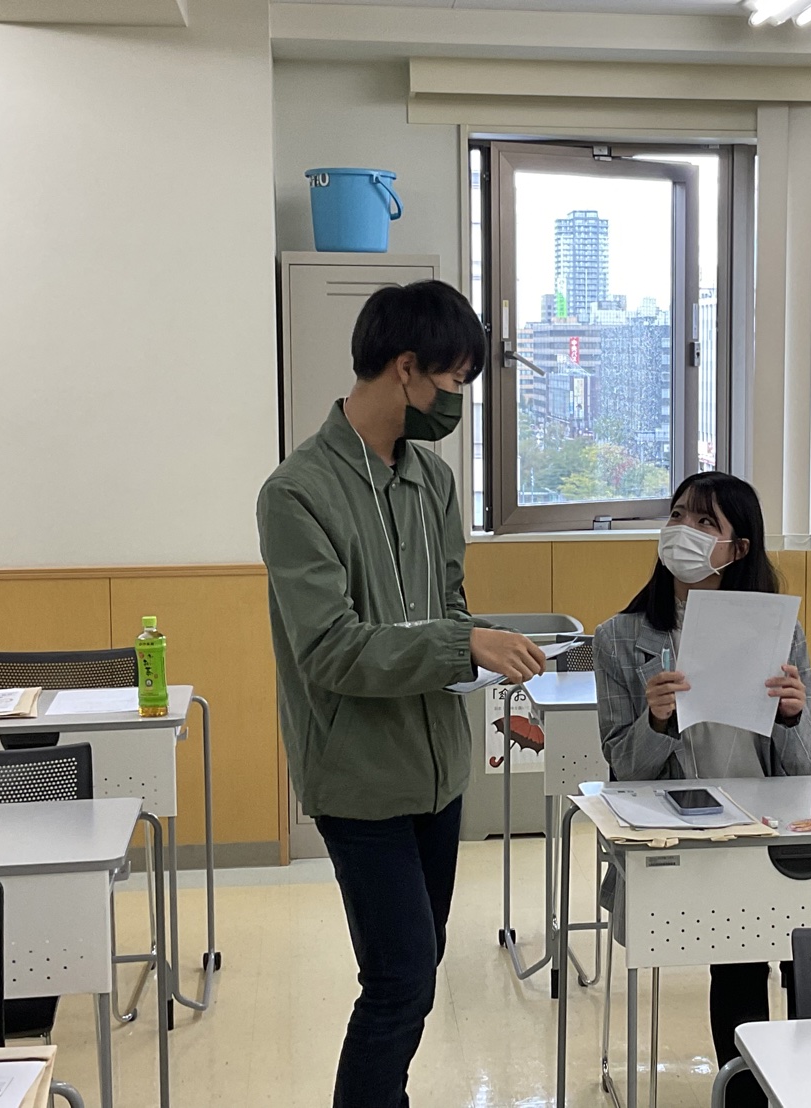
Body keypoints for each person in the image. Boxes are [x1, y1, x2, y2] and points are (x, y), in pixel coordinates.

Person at [256, 280, 546, 1108]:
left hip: (439, 771)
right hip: (359, 777)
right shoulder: (297, 493)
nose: (458, 401)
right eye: (454, 381)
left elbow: (447, 607)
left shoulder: (433, 482)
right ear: (406, 367)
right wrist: (463, 642)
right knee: (399, 980)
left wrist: (480, 639)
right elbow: (330, 650)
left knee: (417, 966)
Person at [593, 472, 811, 1108]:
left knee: (809, 956)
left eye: (705, 523)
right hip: (690, 833)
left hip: (772, 827)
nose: (684, 533)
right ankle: (744, 1093)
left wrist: (793, 715)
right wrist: (656, 722)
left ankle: (808, 1085)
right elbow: (624, 771)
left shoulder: (779, 631)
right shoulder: (619, 638)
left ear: (738, 548)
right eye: (677, 516)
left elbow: (810, 765)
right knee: (740, 960)